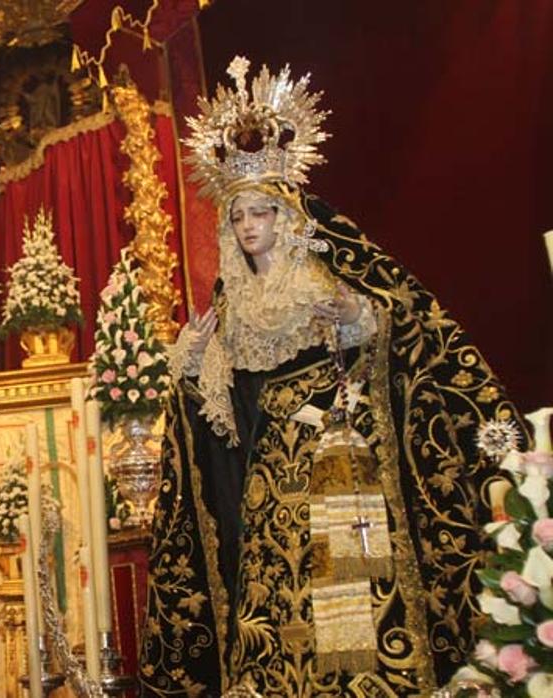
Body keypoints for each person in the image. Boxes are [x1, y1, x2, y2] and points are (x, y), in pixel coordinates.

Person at [138, 57, 524, 696]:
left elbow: (408, 335)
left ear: (288, 215)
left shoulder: (332, 276)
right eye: (238, 217)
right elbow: (220, 429)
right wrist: (190, 365)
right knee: (275, 613)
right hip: (271, 487)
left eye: (262, 211)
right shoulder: (230, 311)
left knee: (352, 610)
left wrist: (358, 320)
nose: (250, 225)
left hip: (341, 475)